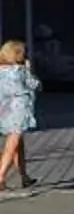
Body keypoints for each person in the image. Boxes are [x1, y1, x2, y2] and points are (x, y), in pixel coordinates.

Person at [0, 40, 36, 190]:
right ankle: (0, 177)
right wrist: (29, 70)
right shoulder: (19, 71)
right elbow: (34, 84)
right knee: (12, 144)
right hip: (18, 110)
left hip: (4, 110)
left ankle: (24, 176)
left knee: (17, 145)